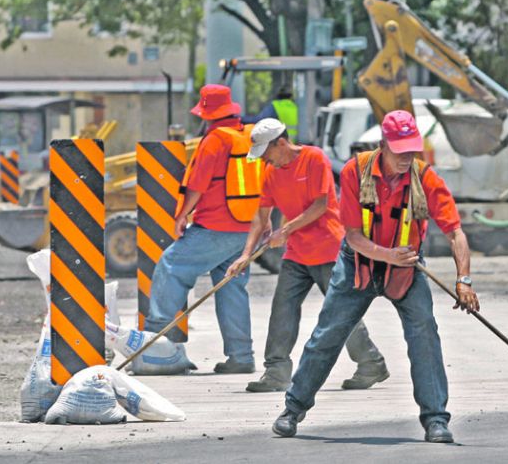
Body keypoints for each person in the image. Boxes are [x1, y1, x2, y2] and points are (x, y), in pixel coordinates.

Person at [271, 110, 480, 443]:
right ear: (383, 144)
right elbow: (352, 235)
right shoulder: (356, 171)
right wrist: (387, 255)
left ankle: (436, 420)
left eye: (411, 149)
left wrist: (463, 281)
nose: (405, 157)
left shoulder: (424, 177)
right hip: (359, 265)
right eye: (399, 150)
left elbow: (455, 232)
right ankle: (292, 409)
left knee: (425, 334)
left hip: (406, 269)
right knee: (327, 336)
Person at [226, 118, 389, 393]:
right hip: (297, 254)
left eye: (267, 152)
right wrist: (245, 255)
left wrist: (285, 229)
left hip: (328, 248)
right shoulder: (270, 172)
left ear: (281, 142)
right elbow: (260, 217)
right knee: (283, 309)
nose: (266, 159)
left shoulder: (314, 159)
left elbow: (320, 205)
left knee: (340, 312)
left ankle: (371, 362)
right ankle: (276, 371)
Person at [144, 84, 262, 374]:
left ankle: (152, 341)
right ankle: (241, 356)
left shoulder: (214, 140)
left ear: (207, 114)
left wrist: (182, 215)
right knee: (231, 287)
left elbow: (196, 184)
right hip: (248, 229)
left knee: (171, 266)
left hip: (215, 227)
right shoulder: (249, 136)